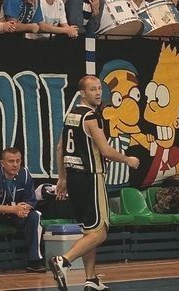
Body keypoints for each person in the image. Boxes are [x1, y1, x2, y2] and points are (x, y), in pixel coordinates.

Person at [50, 75, 140, 291]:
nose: (98, 93)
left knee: (89, 232)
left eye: (99, 88)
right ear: (82, 93)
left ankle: (91, 279)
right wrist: (128, 160)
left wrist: (62, 177)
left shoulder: (71, 115)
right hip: (91, 177)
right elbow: (106, 151)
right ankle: (63, 260)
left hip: (74, 178)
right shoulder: (91, 117)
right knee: (100, 232)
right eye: (93, 89)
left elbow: (60, 147)